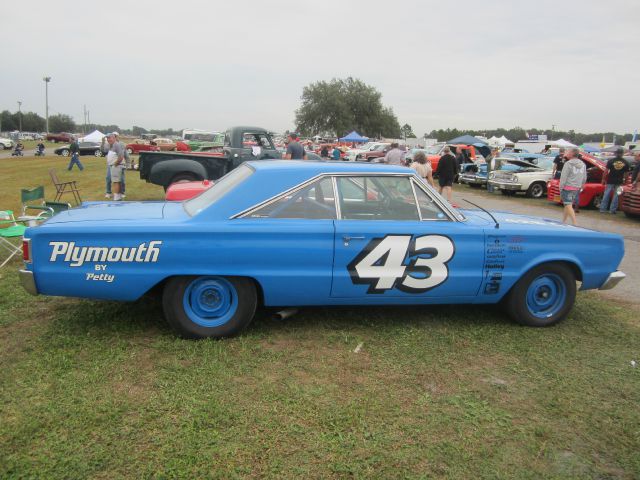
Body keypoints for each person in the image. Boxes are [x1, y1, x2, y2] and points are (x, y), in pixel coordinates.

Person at [559, 148, 586, 225]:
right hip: (576, 187)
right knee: (567, 205)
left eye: (568, 152)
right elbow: (584, 177)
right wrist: (582, 184)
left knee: (568, 204)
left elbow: (564, 176)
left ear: (572, 154)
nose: (566, 153)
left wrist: (561, 187)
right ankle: (563, 221)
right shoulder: (583, 164)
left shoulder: (568, 164)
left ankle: (575, 222)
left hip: (568, 187)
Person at [600, 147, 630, 214]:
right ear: (622, 154)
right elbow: (627, 174)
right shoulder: (626, 162)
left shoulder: (611, 161)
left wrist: (603, 179)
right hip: (619, 181)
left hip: (610, 180)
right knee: (616, 196)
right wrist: (625, 181)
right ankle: (612, 210)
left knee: (606, 194)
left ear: (616, 153)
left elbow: (606, 171)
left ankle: (602, 209)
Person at [106, 132, 126, 201]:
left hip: (117, 166)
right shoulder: (111, 145)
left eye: (109, 138)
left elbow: (121, 156)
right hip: (114, 165)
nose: (108, 139)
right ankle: (119, 196)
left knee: (116, 181)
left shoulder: (116, 145)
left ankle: (116, 197)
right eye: (107, 138)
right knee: (116, 181)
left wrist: (115, 164)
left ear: (114, 138)